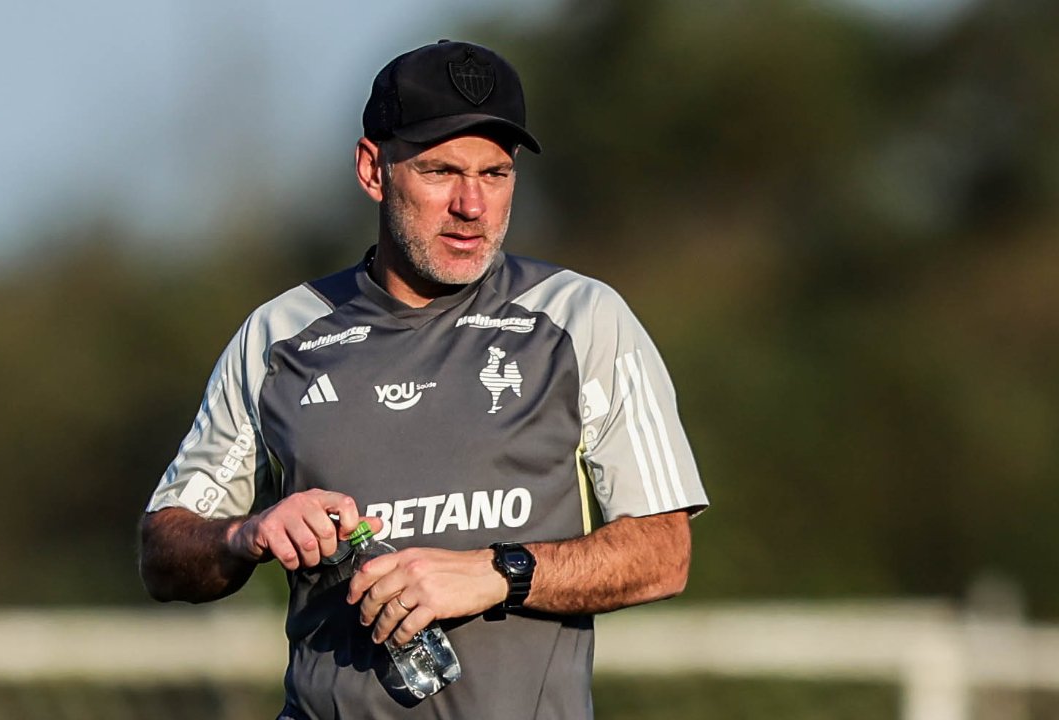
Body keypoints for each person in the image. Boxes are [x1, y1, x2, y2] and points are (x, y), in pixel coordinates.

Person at [139, 39, 709, 719]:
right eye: (441, 171)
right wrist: (248, 534)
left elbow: (662, 553)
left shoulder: (581, 317)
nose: (472, 204)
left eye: (495, 175)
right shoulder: (278, 336)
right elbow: (164, 551)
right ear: (372, 169)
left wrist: (498, 573)